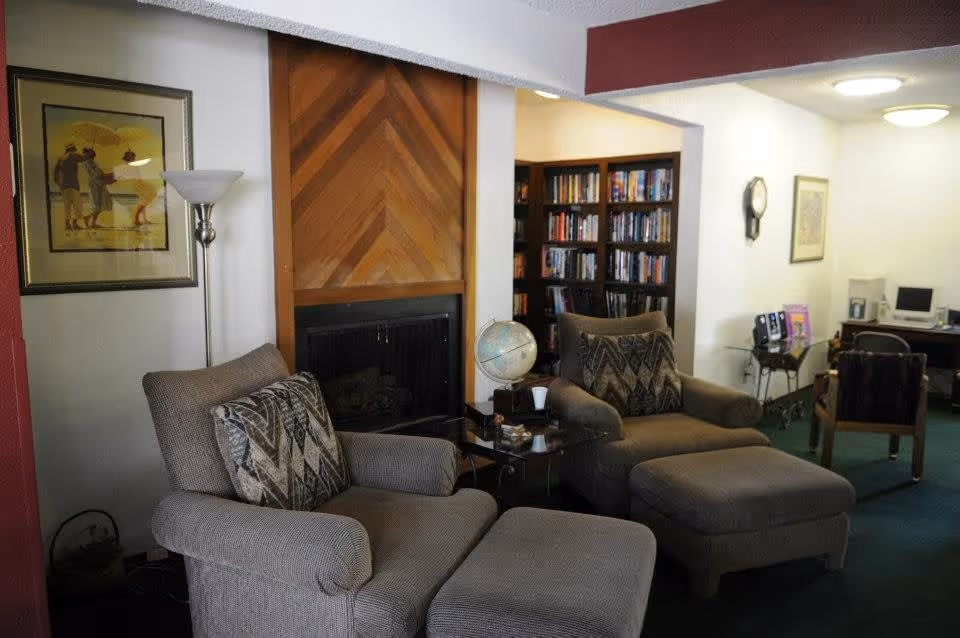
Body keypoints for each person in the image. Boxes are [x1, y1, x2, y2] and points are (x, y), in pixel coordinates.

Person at [81, 147, 114, 229]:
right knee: (97, 205)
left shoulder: (92, 162)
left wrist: (107, 175)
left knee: (100, 204)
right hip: (95, 184)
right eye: (90, 152)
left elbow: (99, 173)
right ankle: (88, 218)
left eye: (92, 152)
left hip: (99, 184)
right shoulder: (87, 163)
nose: (93, 153)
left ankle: (92, 222)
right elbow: (96, 174)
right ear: (88, 154)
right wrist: (107, 175)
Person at [53, 142, 83, 231]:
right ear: (72, 149)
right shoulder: (73, 156)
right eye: (74, 149)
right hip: (73, 184)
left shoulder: (61, 159)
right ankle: (74, 224)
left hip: (64, 186)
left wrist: (59, 183)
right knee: (77, 205)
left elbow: (55, 174)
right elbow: (82, 158)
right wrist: (90, 153)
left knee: (67, 205)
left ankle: (67, 225)